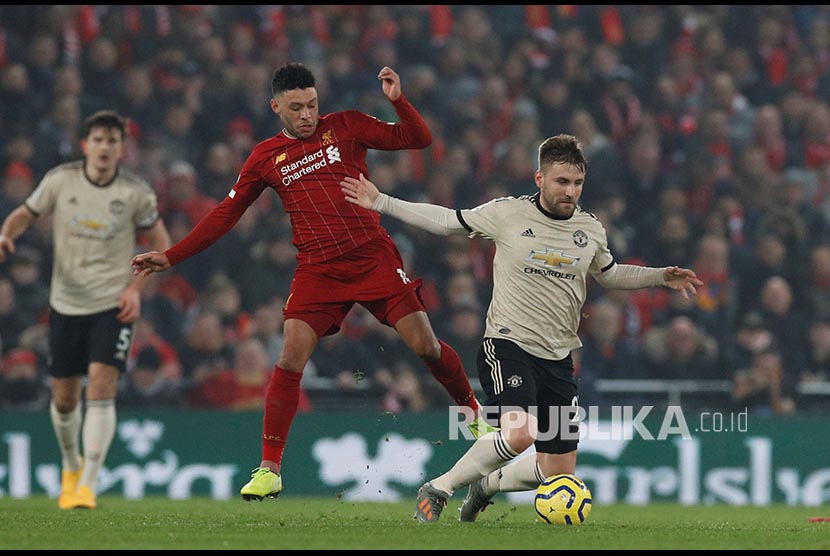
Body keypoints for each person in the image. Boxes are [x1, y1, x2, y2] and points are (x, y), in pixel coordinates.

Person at [130, 62, 484, 501]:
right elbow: (226, 214)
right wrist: (171, 255)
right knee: (290, 355)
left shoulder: (348, 126)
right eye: (296, 107)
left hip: (371, 255)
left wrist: (399, 101)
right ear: (275, 107)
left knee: (426, 346)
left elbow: (418, 139)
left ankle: (474, 415)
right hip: (318, 268)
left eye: (312, 104)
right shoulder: (264, 157)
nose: (307, 115)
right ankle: (269, 469)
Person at [339, 133, 703, 523]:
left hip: (559, 357)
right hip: (508, 345)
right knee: (520, 433)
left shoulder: (589, 229)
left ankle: (486, 485)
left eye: (577, 183)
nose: (570, 191)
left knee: (556, 473)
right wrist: (381, 201)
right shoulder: (508, 213)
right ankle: (439, 488)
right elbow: (447, 221)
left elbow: (610, 275)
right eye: (562, 182)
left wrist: (660, 276)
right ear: (539, 179)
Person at [0, 110, 171, 510]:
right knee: (63, 398)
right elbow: (26, 213)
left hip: (112, 306)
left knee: (101, 384)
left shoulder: (136, 193)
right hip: (65, 304)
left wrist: (135, 289)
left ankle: (89, 483)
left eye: (113, 140)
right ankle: (71, 465)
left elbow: (162, 247)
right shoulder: (61, 181)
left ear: (122, 149)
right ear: (84, 146)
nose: (105, 147)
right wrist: (7, 233)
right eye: (98, 139)